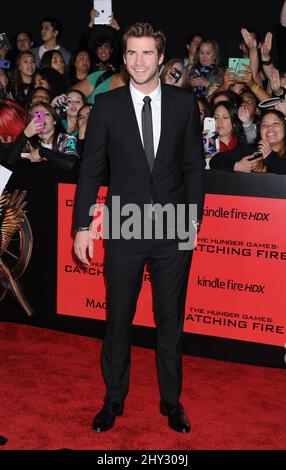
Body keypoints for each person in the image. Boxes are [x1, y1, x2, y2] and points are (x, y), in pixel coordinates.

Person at [73, 22, 205, 434]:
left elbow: (192, 169)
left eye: (147, 53)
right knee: (118, 319)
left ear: (161, 58)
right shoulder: (107, 106)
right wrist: (81, 225)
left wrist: (193, 220)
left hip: (172, 228)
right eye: (132, 53)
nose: (139, 61)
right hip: (123, 228)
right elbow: (91, 170)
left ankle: (172, 401)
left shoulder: (185, 104)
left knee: (170, 320)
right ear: (123, 57)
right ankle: (113, 399)